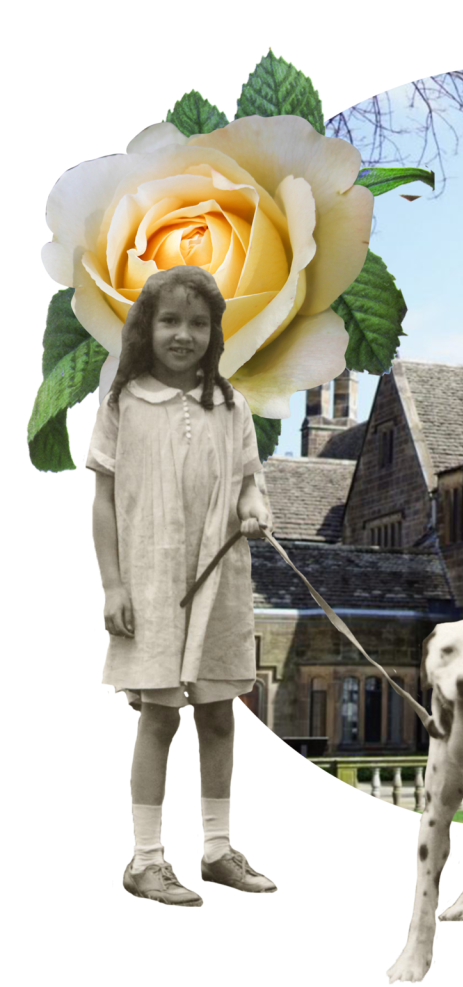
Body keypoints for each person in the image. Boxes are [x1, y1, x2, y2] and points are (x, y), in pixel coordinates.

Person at [87, 265, 277, 906]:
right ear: (147, 326)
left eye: (199, 323)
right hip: (152, 579)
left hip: (220, 578)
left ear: (215, 333)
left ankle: (218, 850)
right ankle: (144, 860)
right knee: (160, 716)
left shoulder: (232, 405)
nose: (183, 334)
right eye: (170, 320)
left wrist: (255, 505)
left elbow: (250, 479)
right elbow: (104, 501)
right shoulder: (123, 403)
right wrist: (113, 585)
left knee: (220, 716)